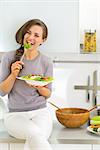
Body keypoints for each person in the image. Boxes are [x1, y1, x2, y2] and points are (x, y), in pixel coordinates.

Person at [0, 19, 53, 150]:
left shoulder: (46, 61)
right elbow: (2, 92)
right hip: (15, 115)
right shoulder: (9, 57)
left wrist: (39, 86)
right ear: (23, 34)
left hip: (41, 113)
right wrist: (13, 75)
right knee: (35, 134)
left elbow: (48, 94)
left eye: (36, 35)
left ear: (43, 40)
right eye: (28, 33)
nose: (30, 38)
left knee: (36, 138)